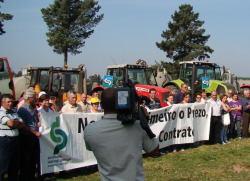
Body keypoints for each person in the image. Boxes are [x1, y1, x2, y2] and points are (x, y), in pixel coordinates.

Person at [84, 88, 159, 181]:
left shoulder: (90, 130)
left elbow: (89, 147)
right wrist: (144, 122)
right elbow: (154, 150)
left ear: (101, 105)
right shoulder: (137, 127)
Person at [17, 89, 41, 181]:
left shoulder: (33, 108)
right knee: (26, 160)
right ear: (29, 98)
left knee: (33, 160)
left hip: (34, 137)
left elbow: (34, 122)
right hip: (27, 137)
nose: (35, 99)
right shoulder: (22, 110)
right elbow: (22, 125)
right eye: (34, 97)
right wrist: (33, 132)